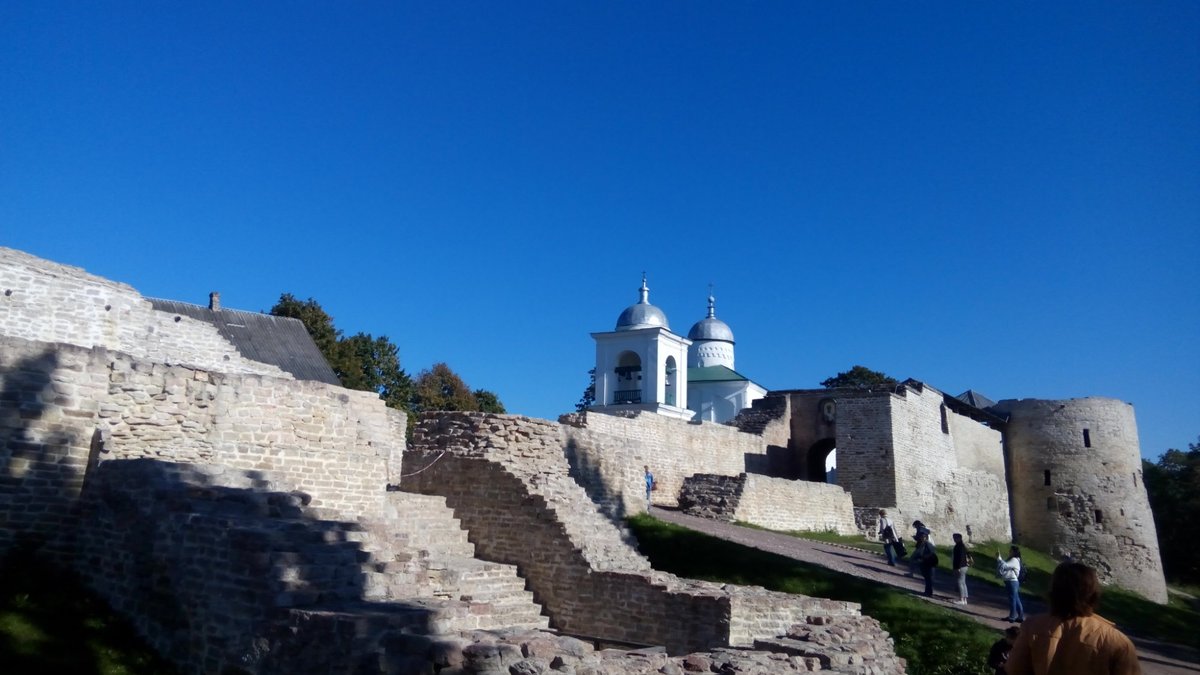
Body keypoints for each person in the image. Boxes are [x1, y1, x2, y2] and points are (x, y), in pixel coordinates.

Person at [1004, 562, 1140, 675]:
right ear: (1093, 593)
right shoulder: (1116, 641)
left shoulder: (1033, 626)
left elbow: (1014, 670)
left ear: (1053, 591)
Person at [997, 545, 1025, 622]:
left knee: (1012, 599)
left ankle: (1012, 616)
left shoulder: (1014, 560)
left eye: (1010, 551)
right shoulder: (1014, 559)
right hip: (1012, 582)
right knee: (1016, 599)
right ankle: (1021, 616)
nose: (1009, 552)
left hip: (1012, 582)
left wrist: (999, 559)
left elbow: (1005, 565)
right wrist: (999, 559)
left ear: (1014, 552)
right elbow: (1005, 565)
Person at [913, 531, 937, 597]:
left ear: (926, 538)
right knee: (926, 578)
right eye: (921, 537)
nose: (921, 538)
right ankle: (927, 591)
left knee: (929, 578)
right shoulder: (921, 544)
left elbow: (932, 553)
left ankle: (929, 592)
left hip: (929, 563)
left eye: (923, 537)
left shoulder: (928, 544)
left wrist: (925, 557)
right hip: (923, 562)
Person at [952, 532, 971, 605]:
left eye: (955, 538)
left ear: (959, 538)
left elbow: (960, 558)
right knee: (963, 582)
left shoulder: (959, 546)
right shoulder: (962, 546)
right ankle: (965, 599)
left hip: (960, 567)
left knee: (960, 582)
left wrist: (958, 567)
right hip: (964, 566)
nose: (954, 539)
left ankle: (961, 599)